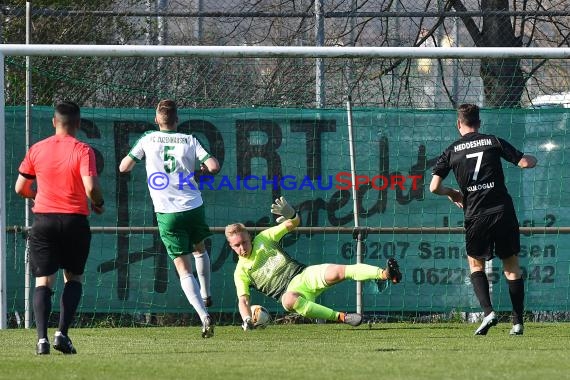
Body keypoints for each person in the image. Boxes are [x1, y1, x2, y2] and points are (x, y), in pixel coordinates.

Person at [429, 103, 537, 336]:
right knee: (511, 265)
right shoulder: (492, 141)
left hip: (475, 213)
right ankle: (518, 322)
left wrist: (453, 193)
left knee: (475, 263)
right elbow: (524, 162)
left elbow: (433, 187)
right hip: (502, 210)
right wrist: (533, 159)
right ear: (479, 122)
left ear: (459, 124)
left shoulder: (451, 151)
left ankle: (488, 312)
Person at [119, 99, 219, 338]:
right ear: (177, 120)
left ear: (157, 119)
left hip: (167, 212)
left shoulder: (148, 138)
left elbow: (124, 167)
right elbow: (213, 166)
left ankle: (203, 314)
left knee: (184, 270)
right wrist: (200, 171)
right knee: (199, 248)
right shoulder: (189, 139)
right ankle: (206, 292)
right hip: (193, 206)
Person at [225, 196, 402, 330]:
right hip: (290, 293)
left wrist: (291, 214)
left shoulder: (264, 238)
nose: (242, 247)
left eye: (244, 242)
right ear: (231, 246)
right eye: (237, 245)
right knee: (288, 300)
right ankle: (342, 317)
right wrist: (247, 320)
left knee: (338, 271)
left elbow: (294, 223)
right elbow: (243, 301)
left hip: (304, 275)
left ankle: (385, 274)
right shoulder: (241, 272)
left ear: (249, 236)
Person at [15, 101, 105, 355]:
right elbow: (91, 189)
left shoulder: (37, 149)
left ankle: (42, 340)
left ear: (54, 122)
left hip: (44, 221)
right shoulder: (83, 150)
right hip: (74, 221)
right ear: (78, 123)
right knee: (73, 277)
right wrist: (98, 203)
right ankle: (61, 334)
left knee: (43, 280)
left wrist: (37, 196)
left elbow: (20, 188)